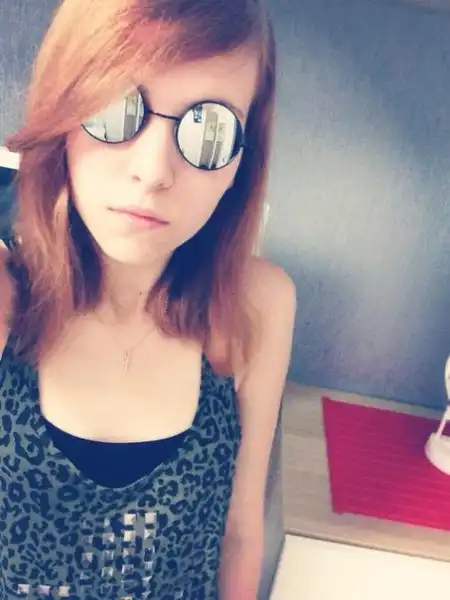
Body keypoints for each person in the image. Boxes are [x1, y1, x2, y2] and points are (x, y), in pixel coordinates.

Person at [0, 0, 297, 598]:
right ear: (64, 114)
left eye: (209, 128)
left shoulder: (257, 306)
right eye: (115, 109)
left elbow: (239, 533)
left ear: (242, 160)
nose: (154, 170)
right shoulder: (9, 296)